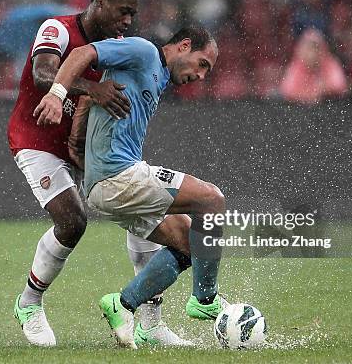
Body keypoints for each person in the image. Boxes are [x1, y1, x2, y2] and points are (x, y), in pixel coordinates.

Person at [8, 0, 188, 347]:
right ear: (99, 1)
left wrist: (85, 123)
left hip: (87, 149)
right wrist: (92, 88)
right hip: (37, 140)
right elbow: (44, 74)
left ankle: (151, 323)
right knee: (73, 221)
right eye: (122, 12)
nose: (127, 21)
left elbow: (109, 98)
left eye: (132, 15)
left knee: (140, 211)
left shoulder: (119, 45)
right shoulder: (57, 29)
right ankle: (29, 302)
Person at [36, 26, 226, 349]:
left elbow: (94, 94)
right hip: (119, 177)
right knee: (212, 200)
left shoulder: (159, 77)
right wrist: (56, 95)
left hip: (110, 185)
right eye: (202, 64)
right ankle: (206, 299)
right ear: (183, 46)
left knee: (188, 243)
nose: (201, 75)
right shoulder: (145, 52)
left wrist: (78, 141)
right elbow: (83, 54)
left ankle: (122, 305)